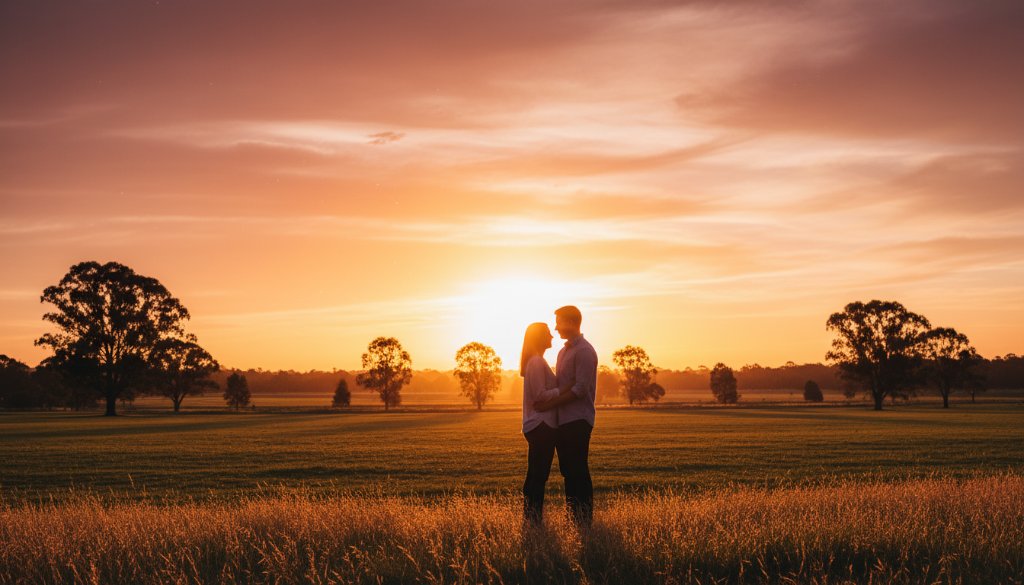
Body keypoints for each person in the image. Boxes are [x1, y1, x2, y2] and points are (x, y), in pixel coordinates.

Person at [535, 305, 598, 526]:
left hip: (578, 420)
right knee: (568, 472)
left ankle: (584, 522)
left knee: (578, 470)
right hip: (563, 421)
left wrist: (549, 404)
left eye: (559, 322)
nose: (556, 327)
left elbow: (579, 390)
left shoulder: (585, 352)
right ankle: (574, 520)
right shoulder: (563, 352)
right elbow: (561, 385)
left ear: (571, 323)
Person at [520, 322, 564, 523]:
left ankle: (531, 519)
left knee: (536, 475)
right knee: (538, 476)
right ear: (539, 337)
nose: (552, 336)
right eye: (548, 333)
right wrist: (562, 390)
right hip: (541, 426)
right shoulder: (537, 362)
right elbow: (539, 395)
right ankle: (533, 520)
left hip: (538, 426)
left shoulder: (536, 361)